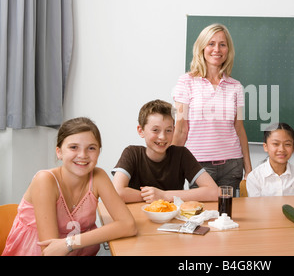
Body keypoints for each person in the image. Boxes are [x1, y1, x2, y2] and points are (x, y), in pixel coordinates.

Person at [2, 117, 136, 256]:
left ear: (98, 152)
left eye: (91, 148)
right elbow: (50, 251)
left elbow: (128, 225)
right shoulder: (45, 180)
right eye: (73, 147)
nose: (83, 155)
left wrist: (70, 243)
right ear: (59, 152)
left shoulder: (98, 176)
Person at [172, 23, 252, 191]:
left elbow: (239, 129)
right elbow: (180, 128)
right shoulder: (186, 82)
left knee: (227, 214)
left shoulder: (236, 86)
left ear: (228, 50)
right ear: (202, 47)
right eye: (211, 43)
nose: (217, 49)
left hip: (232, 164)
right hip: (198, 164)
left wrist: (248, 169)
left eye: (222, 44)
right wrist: (171, 166)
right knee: (200, 214)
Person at [112, 99, 218, 203]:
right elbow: (117, 193)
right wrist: (153, 197)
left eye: (168, 130)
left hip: (174, 218)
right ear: (141, 131)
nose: (162, 137)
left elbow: (214, 192)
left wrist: (164, 195)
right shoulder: (132, 153)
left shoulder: (181, 154)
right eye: (155, 130)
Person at [246, 123, 294, 197]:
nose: (281, 149)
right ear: (265, 147)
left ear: (293, 148)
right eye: (276, 144)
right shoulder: (255, 177)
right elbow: (255, 207)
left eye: (287, 144)